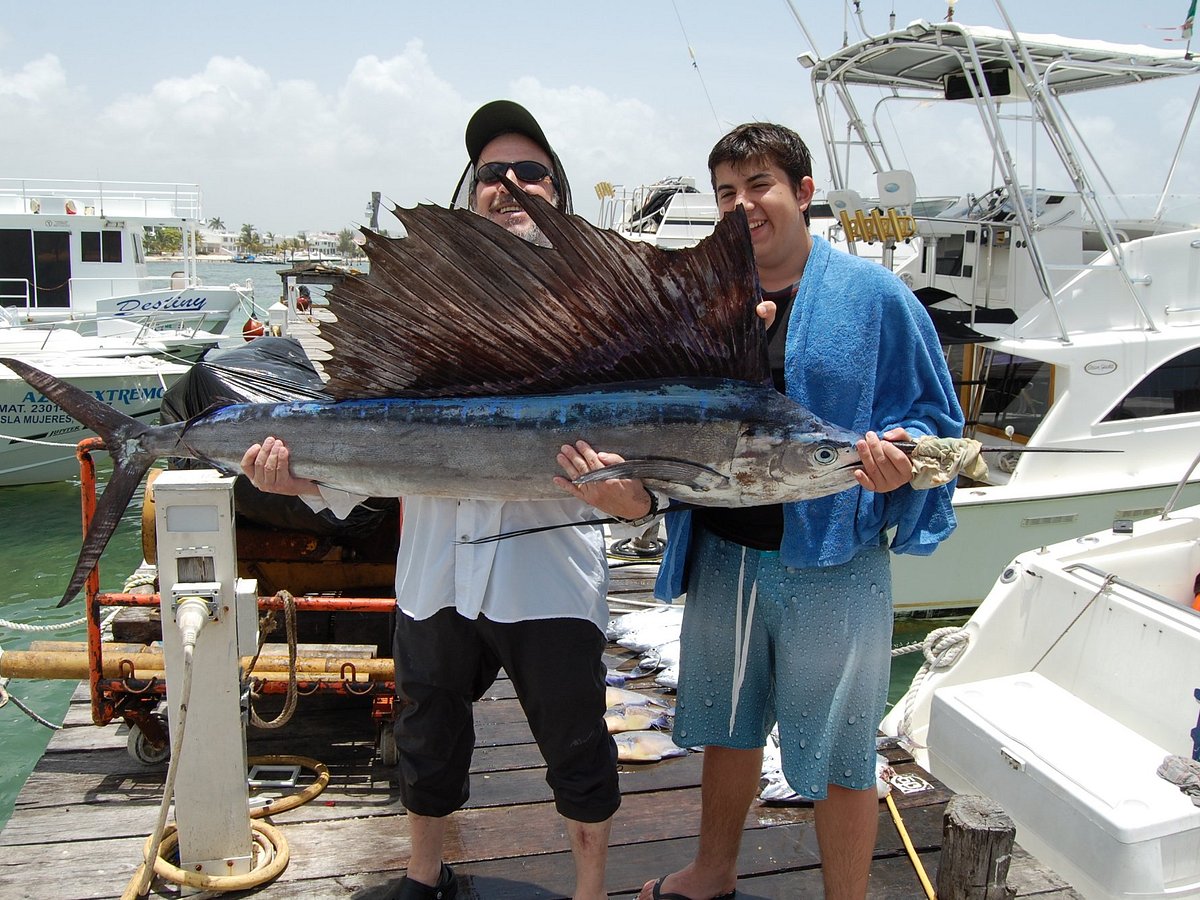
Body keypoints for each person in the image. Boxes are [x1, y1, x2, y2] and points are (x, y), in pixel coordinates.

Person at [241, 100, 649, 900]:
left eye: (531, 172)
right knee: (426, 735)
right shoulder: (424, 307)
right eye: (493, 174)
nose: (511, 185)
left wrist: (620, 493)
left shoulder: (601, 316)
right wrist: (298, 480)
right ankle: (423, 877)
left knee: (577, 744)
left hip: (551, 582)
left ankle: (591, 889)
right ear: (469, 195)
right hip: (433, 576)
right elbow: (381, 444)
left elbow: (644, 497)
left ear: (558, 193)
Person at [555, 122, 963, 900]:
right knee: (726, 726)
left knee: (846, 753)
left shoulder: (873, 296)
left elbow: (937, 423)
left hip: (834, 567)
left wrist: (895, 464)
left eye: (760, 186)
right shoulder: (713, 306)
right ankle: (713, 871)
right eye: (726, 194)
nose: (744, 205)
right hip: (722, 551)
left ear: (804, 192)